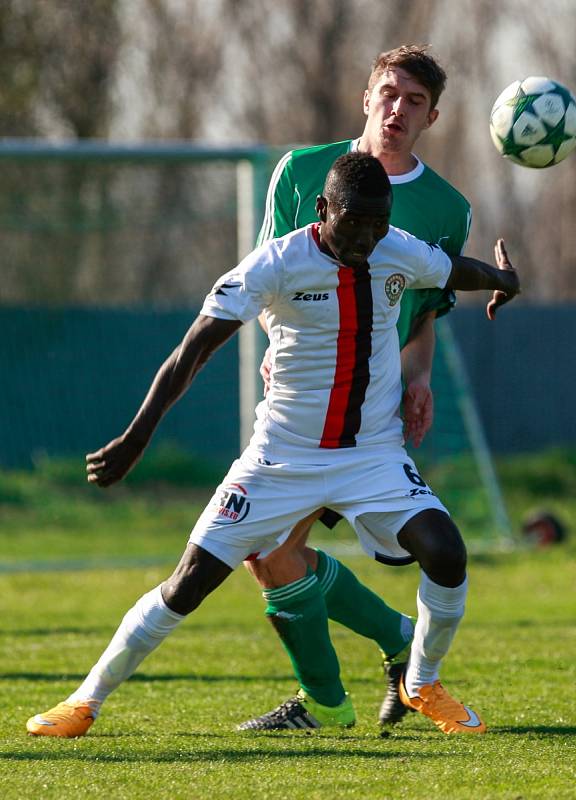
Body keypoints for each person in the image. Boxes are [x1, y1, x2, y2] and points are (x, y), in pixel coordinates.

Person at [26, 152, 519, 738]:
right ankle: (84, 703)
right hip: (281, 458)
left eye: (378, 221)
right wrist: (137, 438)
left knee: (446, 551)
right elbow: (192, 351)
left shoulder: (397, 247)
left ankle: (421, 682)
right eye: (353, 220)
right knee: (189, 582)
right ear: (321, 209)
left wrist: (502, 281)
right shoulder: (276, 264)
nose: (366, 235)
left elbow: (450, 269)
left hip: (373, 455)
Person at [239, 45, 483, 731]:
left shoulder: (445, 207)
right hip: (299, 401)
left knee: (272, 552)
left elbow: (423, 312)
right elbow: (267, 277)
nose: (396, 109)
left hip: (369, 415)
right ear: (366, 96)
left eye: (412, 100)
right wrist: (275, 343)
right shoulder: (300, 171)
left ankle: (327, 702)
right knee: (269, 554)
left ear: (431, 115)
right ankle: (394, 646)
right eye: (387, 92)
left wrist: (420, 378)